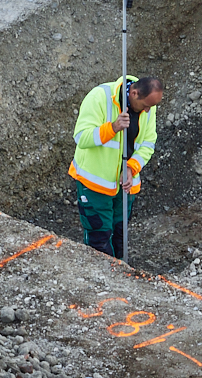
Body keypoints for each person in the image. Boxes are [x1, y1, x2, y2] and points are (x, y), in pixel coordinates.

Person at [68, 75, 163, 258]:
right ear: (134, 93)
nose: (148, 110)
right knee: (99, 240)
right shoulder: (99, 97)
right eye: (145, 105)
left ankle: (120, 273)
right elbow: (81, 137)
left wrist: (131, 168)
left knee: (120, 235)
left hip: (124, 185)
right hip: (95, 184)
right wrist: (112, 128)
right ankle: (100, 275)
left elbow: (148, 143)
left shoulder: (148, 108)